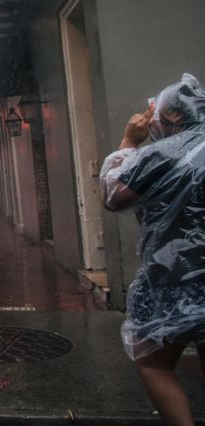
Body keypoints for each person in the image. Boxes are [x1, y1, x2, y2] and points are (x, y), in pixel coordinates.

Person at [100, 73, 205, 426]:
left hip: (170, 278)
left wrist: (129, 141)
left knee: (154, 363)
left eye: (155, 113)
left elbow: (113, 195)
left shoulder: (161, 154)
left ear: (172, 117)